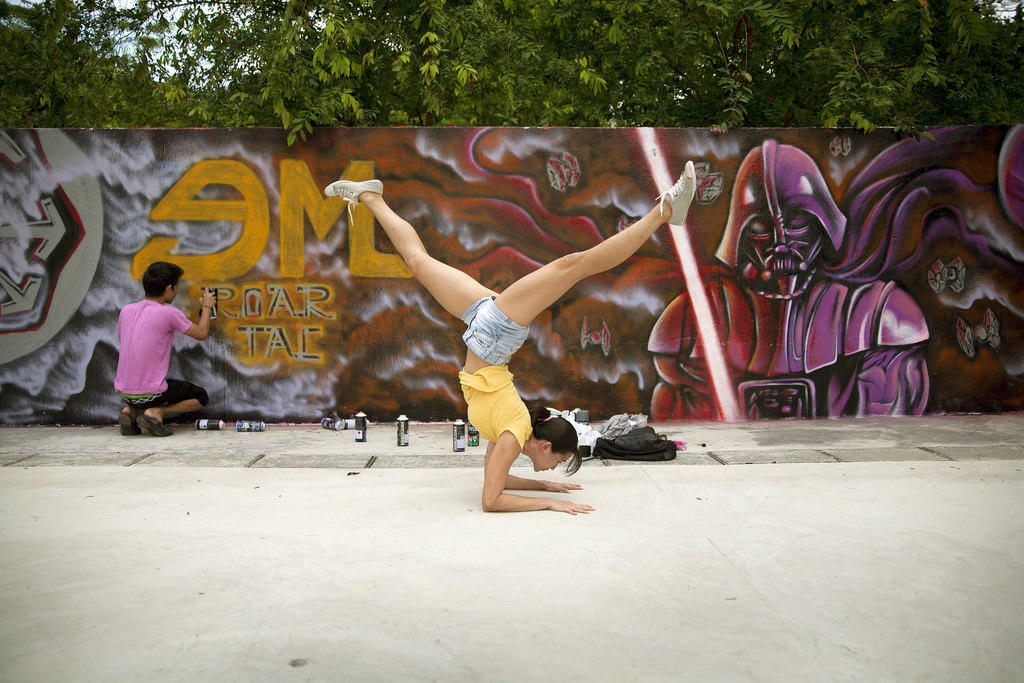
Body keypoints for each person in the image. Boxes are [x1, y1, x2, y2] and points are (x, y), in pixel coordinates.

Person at [325, 163, 696, 513]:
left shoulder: (509, 436)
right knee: (575, 265)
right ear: (546, 446)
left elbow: (494, 488)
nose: (554, 469)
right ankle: (664, 211)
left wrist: (546, 490)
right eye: (559, 462)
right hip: (496, 333)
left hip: (484, 327)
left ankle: (371, 197)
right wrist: (549, 502)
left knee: (418, 262)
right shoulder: (514, 432)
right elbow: (494, 497)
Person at [114, 261, 215, 437]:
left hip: (124, 391)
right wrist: (206, 306)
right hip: (151, 394)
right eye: (176, 286)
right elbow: (201, 333)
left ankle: (129, 411)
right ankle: (157, 413)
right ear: (169, 288)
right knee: (201, 397)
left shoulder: (126, 311)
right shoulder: (168, 313)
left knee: (146, 387)